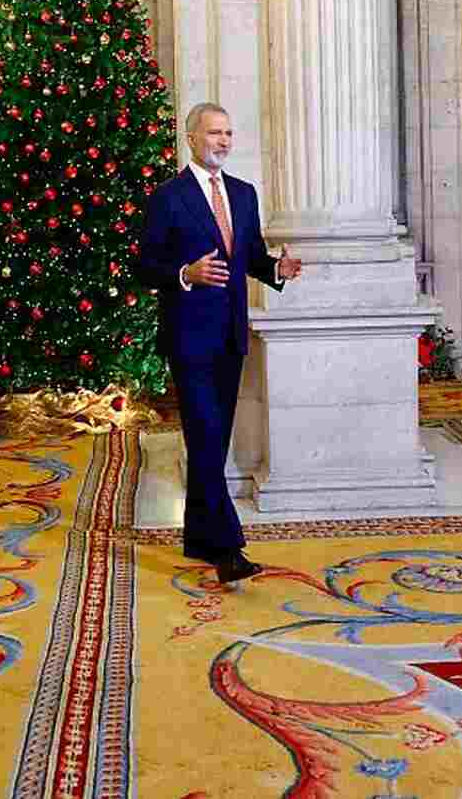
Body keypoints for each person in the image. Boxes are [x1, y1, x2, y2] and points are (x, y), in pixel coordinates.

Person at [139, 103, 303, 586]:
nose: (224, 141)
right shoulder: (168, 197)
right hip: (187, 334)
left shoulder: (244, 194)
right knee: (207, 437)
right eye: (215, 132)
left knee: (212, 439)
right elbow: (146, 266)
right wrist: (184, 274)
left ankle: (198, 538)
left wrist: (275, 269)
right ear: (192, 138)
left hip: (231, 334)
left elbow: (248, 256)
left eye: (229, 132)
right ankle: (228, 549)